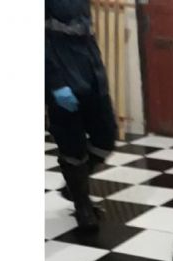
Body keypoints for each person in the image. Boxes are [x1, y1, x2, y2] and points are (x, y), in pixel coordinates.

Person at [46, 0, 118, 230]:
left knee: (106, 137)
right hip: (61, 76)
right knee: (72, 145)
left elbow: (84, 31)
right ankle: (82, 205)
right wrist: (55, 83)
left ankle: (74, 186)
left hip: (91, 72)